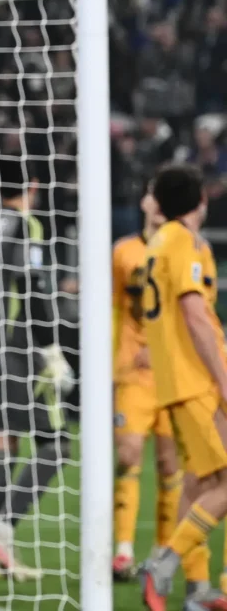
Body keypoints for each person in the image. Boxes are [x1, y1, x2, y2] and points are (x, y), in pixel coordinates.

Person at [0, 157, 73, 581]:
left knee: (3, 447)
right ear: (34, 185)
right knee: (57, 446)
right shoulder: (25, 225)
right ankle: (3, 529)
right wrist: (51, 348)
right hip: (16, 350)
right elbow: (32, 286)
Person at [139, 164, 227, 611]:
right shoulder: (186, 243)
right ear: (201, 200)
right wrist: (223, 381)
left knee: (199, 482)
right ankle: (164, 562)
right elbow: (194, 314)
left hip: (173, 382)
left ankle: (198, 591)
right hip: (197, 381)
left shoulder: (157, 242)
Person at [111, 180, 181, 581]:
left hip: (172, 377)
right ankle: (123, 551)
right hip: (132, 374)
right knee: (128, 456)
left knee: (170, 465)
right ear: (144, 202)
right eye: (154, 194)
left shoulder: (182, 249)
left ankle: (160, 555)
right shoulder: (123, 251)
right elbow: (111, 308)